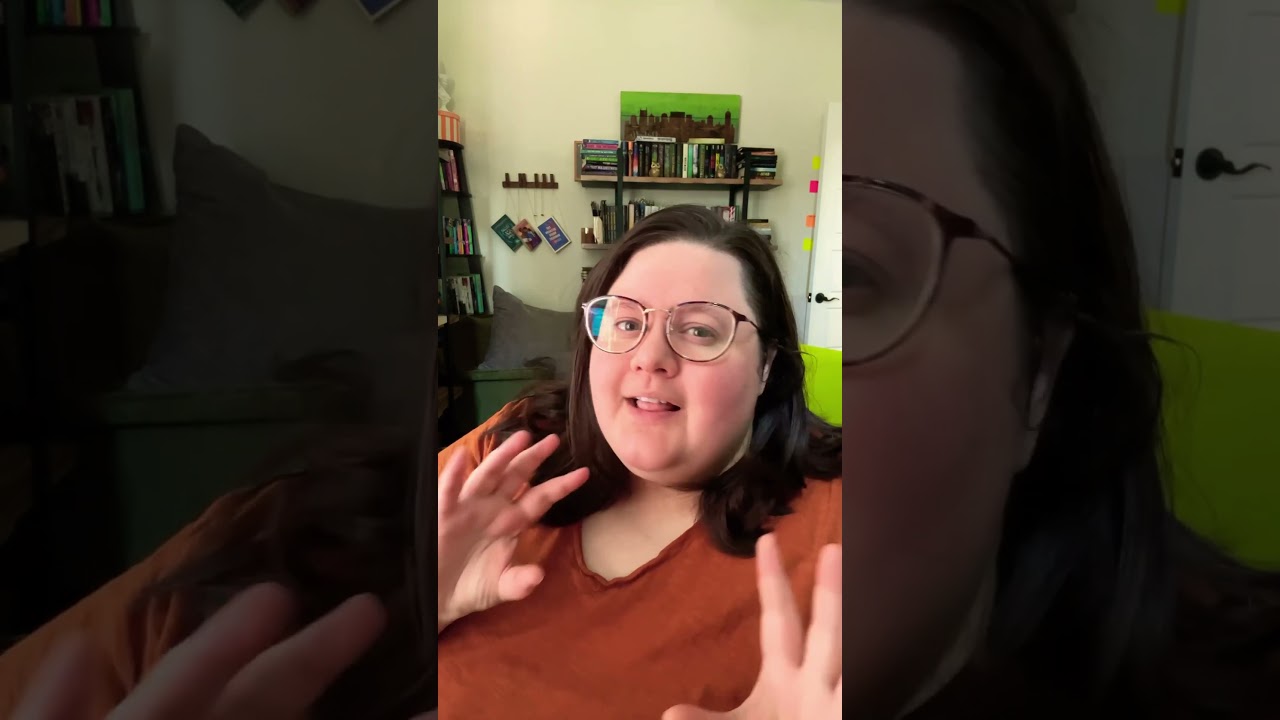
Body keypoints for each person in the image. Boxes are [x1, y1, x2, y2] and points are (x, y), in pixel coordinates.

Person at [5, 0, 1280, 717]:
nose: (647, 357)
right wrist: (408, 604)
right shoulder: (444, 479)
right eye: (621, 317)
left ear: (1037, 377)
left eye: (703, 326)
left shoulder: (835, 538)